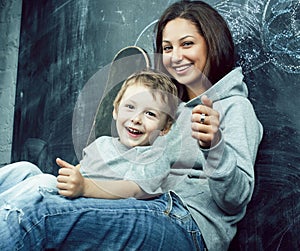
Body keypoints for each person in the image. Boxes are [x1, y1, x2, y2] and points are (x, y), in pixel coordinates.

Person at [0, 1, 263, 250]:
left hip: (184, 220)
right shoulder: (168, 109)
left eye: (187, 44)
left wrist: (214, 146)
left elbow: (235, 200)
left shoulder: (234, 107)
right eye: (168, 48)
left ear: (212, 44)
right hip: (141, 201)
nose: (176, 56)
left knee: (37, 211)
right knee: (25, 175)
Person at [0, 70, 178, 202]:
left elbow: (133, 190)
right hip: (71, 195)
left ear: (165, 127)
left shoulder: (153, 157)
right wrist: (71, 176)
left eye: (150, 114)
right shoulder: (102, 144)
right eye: (130, 107)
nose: (136, 119)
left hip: (87, 206)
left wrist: (85, 186)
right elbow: (81, 169)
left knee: (43, 182)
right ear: (115, 111)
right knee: (25, 170)